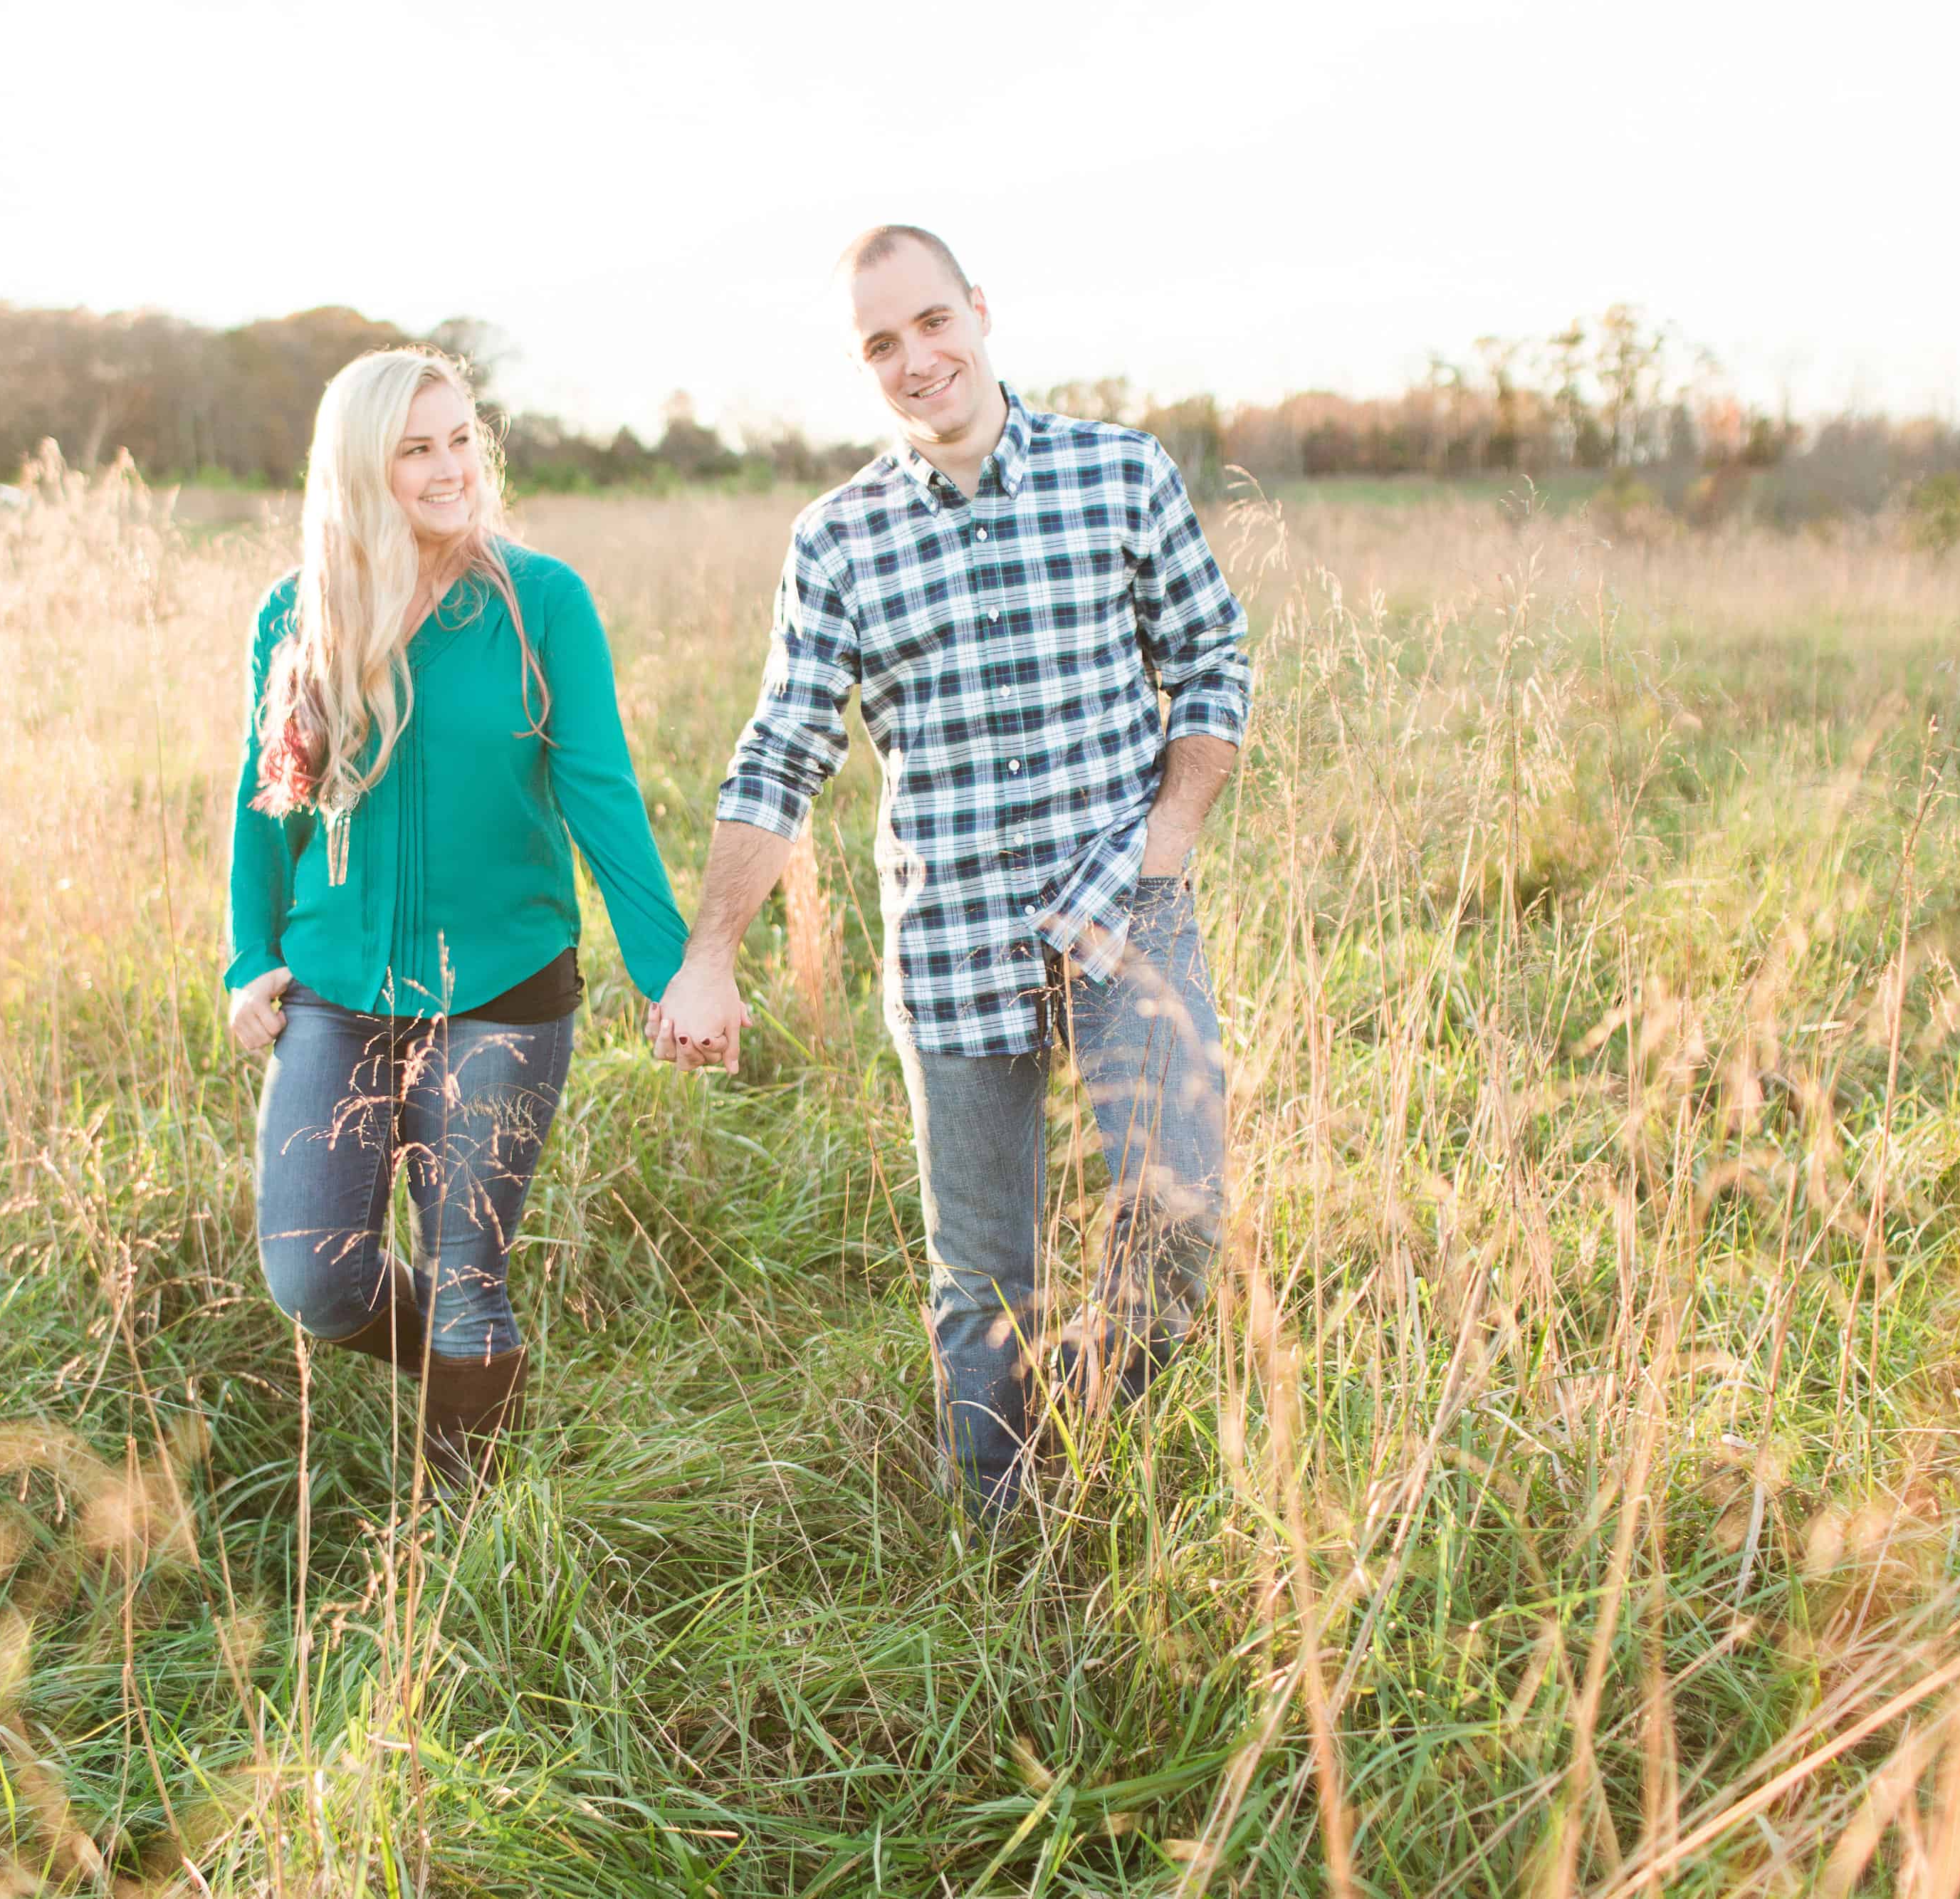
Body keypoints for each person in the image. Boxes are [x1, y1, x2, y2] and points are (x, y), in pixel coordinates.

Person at [651, 226, 1251, 1512]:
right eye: (881, 344)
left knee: (1184, 1206)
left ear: (980, 310)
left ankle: (1100, 1440)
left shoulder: (1120, 472)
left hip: (1122, 908)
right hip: (955, 944)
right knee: (984, 1280)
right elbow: (782, 753)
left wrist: (1173, 836)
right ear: (862, 366)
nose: (917, 360)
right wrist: (709, 956)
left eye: (932, 323)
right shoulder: (839, 538)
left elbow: (1212, 656)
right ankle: (1004, 1549)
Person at [225, 345, 687, 1484]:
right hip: (335, 989)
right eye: (412, 451)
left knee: (470, 1274)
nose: (446, 471)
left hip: (505, 989)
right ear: (355, 471)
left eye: (459, 442)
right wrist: (250, 954)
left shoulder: (541, 603)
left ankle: (462, 1558)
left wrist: (674, 969)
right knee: (315, 1275)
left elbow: (601, 791)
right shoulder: (299, 615)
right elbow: (265, 804)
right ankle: (473, 1349)